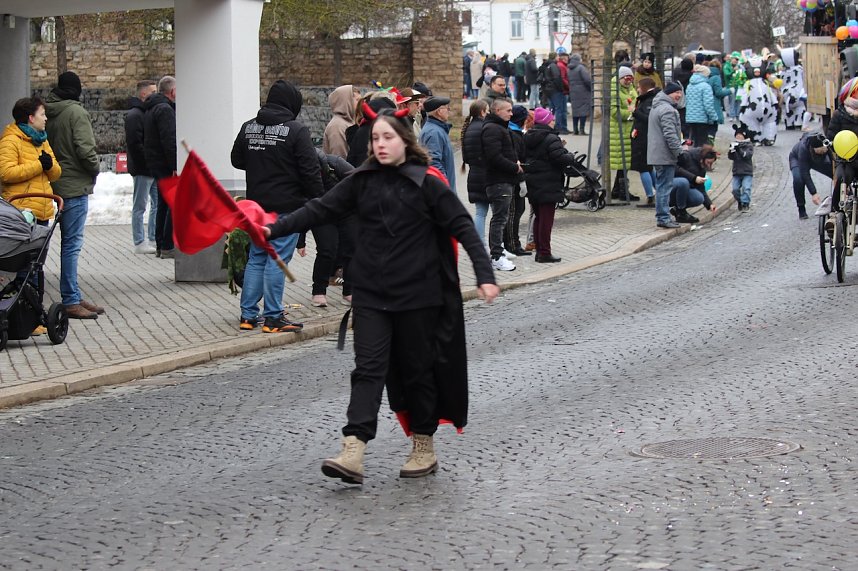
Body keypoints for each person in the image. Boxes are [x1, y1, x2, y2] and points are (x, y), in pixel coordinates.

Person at [263, 106, 499, 485]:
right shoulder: (362, 181)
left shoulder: (428, 184)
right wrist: (274, 228)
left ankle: (423, 443)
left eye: (388, 137)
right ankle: (353, 448)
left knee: (417, 372)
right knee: (368, 370)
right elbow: (319, 209)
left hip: (419, 298)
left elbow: (463, 228)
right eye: (375, 138)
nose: (380, 144)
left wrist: (484, 275)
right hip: (371, 294)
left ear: (405, 140)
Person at [230, 79, 322, 332]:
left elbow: (236, 159)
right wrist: (319, 201)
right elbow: (310, 170)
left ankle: (248, 316)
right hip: (287, 208)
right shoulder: (296, 130)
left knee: (257, 259)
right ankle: (273, 317)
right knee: (277, 260)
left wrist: (261, 163)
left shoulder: (248, 127)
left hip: (257, 207)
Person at [44, 71, 105, 319]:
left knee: (62, 244)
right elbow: (84, 148)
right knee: (71, 245)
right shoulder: (76, 112)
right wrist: (94, 168)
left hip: (54, 185)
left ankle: (74, 295)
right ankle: (70, 300)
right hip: (74, 185)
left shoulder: (48, 111)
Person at [1, 96, 63, 331]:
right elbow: (6, 173)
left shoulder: (42, 140)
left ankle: (34, 313)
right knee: (22, 267)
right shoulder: (10, 141)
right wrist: (39, 165)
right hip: (21, 214)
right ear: (30, 117)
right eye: (42, 114)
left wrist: (48, 165)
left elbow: (56, 172)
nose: (46, 118)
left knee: (37, 266)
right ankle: (21, 315)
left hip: (44, 210)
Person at [524, 107, 576, 262]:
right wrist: (570, 156)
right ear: (547, 121)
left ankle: (540, 250)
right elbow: (558, 158)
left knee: (538, 218)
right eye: (552, 120)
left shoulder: (528, 136)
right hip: (549, 182)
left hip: (533, 181)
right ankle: (544, 252)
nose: (554, 122)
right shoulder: (551, 138)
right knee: (546, 220)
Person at [481, 97, 523, 271]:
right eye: (508, 110)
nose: (511, 114)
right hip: (499, 180)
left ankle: (499, 251)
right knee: (499, 218)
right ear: (497, 111)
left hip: (504, 179)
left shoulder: (499, 127)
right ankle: (496, 255)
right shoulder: (492, 129)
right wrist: (515, 167)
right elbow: (494, 157)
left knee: (501, 217)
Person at [143, 75, 178, 259]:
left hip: (155, 162)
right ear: (172, 91)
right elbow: (169, 139)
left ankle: (160, 245)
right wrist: (175, 165)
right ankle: (166, 245)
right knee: (171, 203)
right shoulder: (165, 110)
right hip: (165, 164)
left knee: (163, 204)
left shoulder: (152, 107)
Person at [124, 79, 158, 255]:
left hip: (151, 168)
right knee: (140, 205)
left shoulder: (146, 113)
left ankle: (152, 237)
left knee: (156, 203)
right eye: (153, 91)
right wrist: (146, 162)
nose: (156, 94)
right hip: (143, 168)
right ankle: (139, 241)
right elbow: (135, 143)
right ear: (144, 94)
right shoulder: (135, 115)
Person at [647, 81, 685, 229]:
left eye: (680, 93)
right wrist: (679, 152)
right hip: (664, 154)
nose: (679, 95)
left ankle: (663, 216)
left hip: (658, 153)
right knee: (664, 186)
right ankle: (663, 217)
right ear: (669, 93)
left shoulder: (657, 106)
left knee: (662, 185)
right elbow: (670, 135)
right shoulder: (667, 110)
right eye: (677, 92)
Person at [607, 66, 639, 201]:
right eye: (626, 78)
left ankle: (617, 190)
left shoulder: (630, 89)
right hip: (619, 131)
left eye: (630, 79)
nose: (628, 81)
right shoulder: (615, 90)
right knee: (623, 162)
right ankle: (622, 191)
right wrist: (631, 114)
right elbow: (614, 112)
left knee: (625, 163)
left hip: (629, 130)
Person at [461, 99, 489, 244]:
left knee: (480, 212)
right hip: (485, 174)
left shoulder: (469, 128)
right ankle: (485, 243)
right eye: (488, 110)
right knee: (488, 213)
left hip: (474, 174)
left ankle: (480, 241)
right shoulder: (483, 127)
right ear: (482, 112)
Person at [505, 105, 530, 256]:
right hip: (514, 178)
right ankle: (512, 244)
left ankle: (512, 243)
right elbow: (518, 158)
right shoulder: (513, 134)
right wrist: (521, 180)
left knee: (516, 211)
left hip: (515, 177)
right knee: (514, 212)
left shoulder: (515, 132)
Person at [671, 145, 719, 223]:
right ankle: (681, 212)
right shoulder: (686, 156)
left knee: (699, 198)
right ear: (702, 159)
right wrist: (693, 178)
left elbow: (701, 188)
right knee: (683, 182)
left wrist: (709, 204)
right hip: (670, 185)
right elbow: (674, 168)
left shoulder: (702, 168)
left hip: (682, 191)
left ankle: (677, 209)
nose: (709, 166)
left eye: (711, 163)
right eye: (708, 162)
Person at [789, 133, 831, 219]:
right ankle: (801, 208)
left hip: (818, 159)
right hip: (797, 159)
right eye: (820, 151)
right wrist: (814, 193)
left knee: (835, 174)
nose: (823, 152)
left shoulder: (827, 144)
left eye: (824, 151)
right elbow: (805, 173)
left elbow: (835, 163)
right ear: (813, 148)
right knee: (799, 179)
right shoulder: (803, 149)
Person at [631, 78, 659, 207]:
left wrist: (635, 112)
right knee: (648, 167)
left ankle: (650, 195)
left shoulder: (649, 100)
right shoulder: (649, 98)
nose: (637, 89)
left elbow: (649, 119)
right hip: (643, 137)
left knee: (643, 168)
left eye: (638, 86)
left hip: (644, 138)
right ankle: (659, 192)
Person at [418, 96, 455, 191]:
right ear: (439, 111)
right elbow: (434, 163)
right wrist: (444, 188)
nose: (449, 111)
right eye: (447, 108)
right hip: (441, 191)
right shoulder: (434, 132)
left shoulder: (436, 129)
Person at [323, 84, 360, 159]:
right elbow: (340, 159)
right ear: (347, 102)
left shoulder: (349, 122)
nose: (361, 104)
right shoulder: (337, 126)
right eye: (357, 100)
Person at [685, 65, 718, 147]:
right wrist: (714, 117)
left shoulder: (689, 85)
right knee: (702, 143)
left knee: (694, 141)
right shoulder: (706, 86)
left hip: (691, 118)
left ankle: (693, 157)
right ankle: (700, 158)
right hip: (702, 119)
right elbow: (708, 105)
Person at [728, 124, 754, 212]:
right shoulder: (734, 144)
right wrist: (732, 151)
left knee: (746, 188)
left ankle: (745, 203)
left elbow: (747, 155)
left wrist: (740, 150)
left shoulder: (749, 145)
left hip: (747, 171)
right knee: (735, 189)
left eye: (740, 135)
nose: (738, 137)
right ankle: (740, 200)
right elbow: (731, 157)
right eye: (737, 135)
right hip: (736, 171)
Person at [567, 53, 592, 135]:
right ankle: (582, 129)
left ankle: (575, 129)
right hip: (583, 92)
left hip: (573, 91)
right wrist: (590, 88)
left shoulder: (569, 69)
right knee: (583, 111)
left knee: (575, 111)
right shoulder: (581, 68)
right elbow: (587, 80)